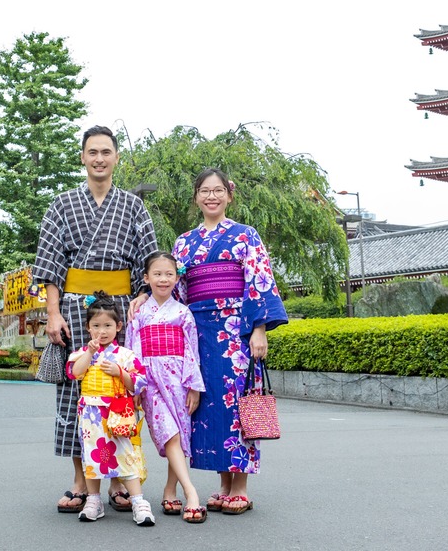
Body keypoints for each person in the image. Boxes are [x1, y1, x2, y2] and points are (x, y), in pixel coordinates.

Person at [32, 125, 159, 514]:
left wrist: (140, 297)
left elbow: (149, 259)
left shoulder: (134, 206)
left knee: (121, 391)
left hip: (120, 310)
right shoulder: (62, 204)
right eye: (93, 152)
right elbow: (51, 264)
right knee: (76, 393)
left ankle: (122, 477)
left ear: (116, 158)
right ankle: (80, 481)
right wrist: (52, 314)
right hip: (75, 311)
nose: (100, 158)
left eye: (106, 152)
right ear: (83, 157)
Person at [170, 167, 287, 515]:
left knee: (237, 403)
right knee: (209, 406)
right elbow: (175, 290)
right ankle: (223, 484)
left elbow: (258, 280)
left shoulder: (245, 235)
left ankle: (241, 486)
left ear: (229, 195)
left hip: (236, 327)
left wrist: (260, 329)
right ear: (196, 197)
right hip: (199, 329)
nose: (212, 196)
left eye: (218, 190)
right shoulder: (183, 242)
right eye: (205, 191)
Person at [125, 251, 207, 524]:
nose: (163, 279)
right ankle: (190, 491)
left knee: (180, 433)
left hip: (178, 378)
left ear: (177, 277)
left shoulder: (183, 313)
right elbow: (131, 350)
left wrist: (194, 386)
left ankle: (170, 490)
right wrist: (134, 386)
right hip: (149, 381)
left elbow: (192, 351)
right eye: (157, 274)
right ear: (146, 278)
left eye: (169, 274)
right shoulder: (139, 312)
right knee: (169, 433)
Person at [67, 293, 154, 526]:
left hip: (118, 413)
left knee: (125, 456)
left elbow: (140, 382)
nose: (102, 331)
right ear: (87, 328)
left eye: (107, 326)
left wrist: (120, 372)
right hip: (91, 415)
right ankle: (93, 499)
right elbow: (75, 373)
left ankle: (138, 501)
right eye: (96, 326)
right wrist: (90, 353)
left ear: (118, 326)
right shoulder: (81, 353)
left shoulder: (125, 355)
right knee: (91, 458)